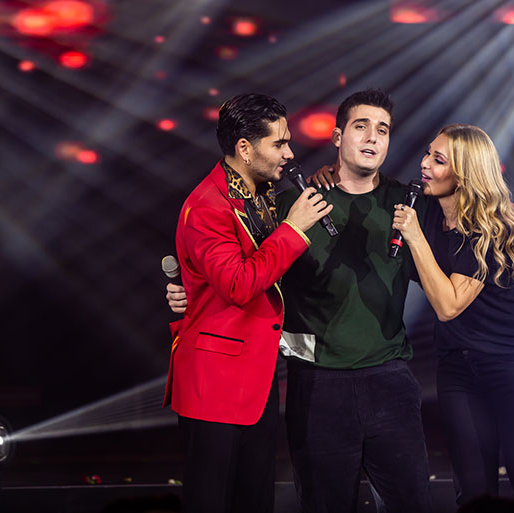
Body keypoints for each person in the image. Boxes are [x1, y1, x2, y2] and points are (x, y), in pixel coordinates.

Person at [166, 89, 514, 513]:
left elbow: (470, 253)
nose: (372, 137)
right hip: (315, 384)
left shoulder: (412, 205)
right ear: (338, 136)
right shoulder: (290, 204)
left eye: (383, 129)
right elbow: (244, 270)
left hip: (391, 381)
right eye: (361, 126)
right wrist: (187, 291)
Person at [164, 92, 333, 513]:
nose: (289, 153)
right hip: (216, 383)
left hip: (257, 378)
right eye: (279, 143)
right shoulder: (207, 206)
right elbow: (238, 284)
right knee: (213, 501)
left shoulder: (262, 193)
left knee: (255, 501)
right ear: (244, 148)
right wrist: (293, 229)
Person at [390, 124, 514, 512]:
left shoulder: (491, 223)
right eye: (428, 153)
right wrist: (328, 173)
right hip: (459, 366)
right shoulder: (425, 207)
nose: (425, 165)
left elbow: (448, 306)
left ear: (465, 172)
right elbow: (371, 187)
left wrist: (415, 237)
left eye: (439, 160)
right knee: (472, 493)